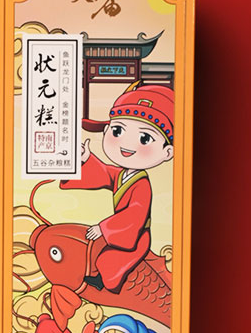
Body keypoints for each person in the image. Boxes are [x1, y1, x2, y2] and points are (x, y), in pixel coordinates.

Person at [61, 82, 174, 293]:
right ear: (107, 130)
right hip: (121, 232)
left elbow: (135, 215)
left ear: (167, 152)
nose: (126, 144)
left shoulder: (141, 184)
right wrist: (86, 159)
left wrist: (103, 228)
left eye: (144, 138)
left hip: (136, 236)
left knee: (109, 260)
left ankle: (106, 286)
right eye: (118, 130)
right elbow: (104, 172)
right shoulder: (122, 174)